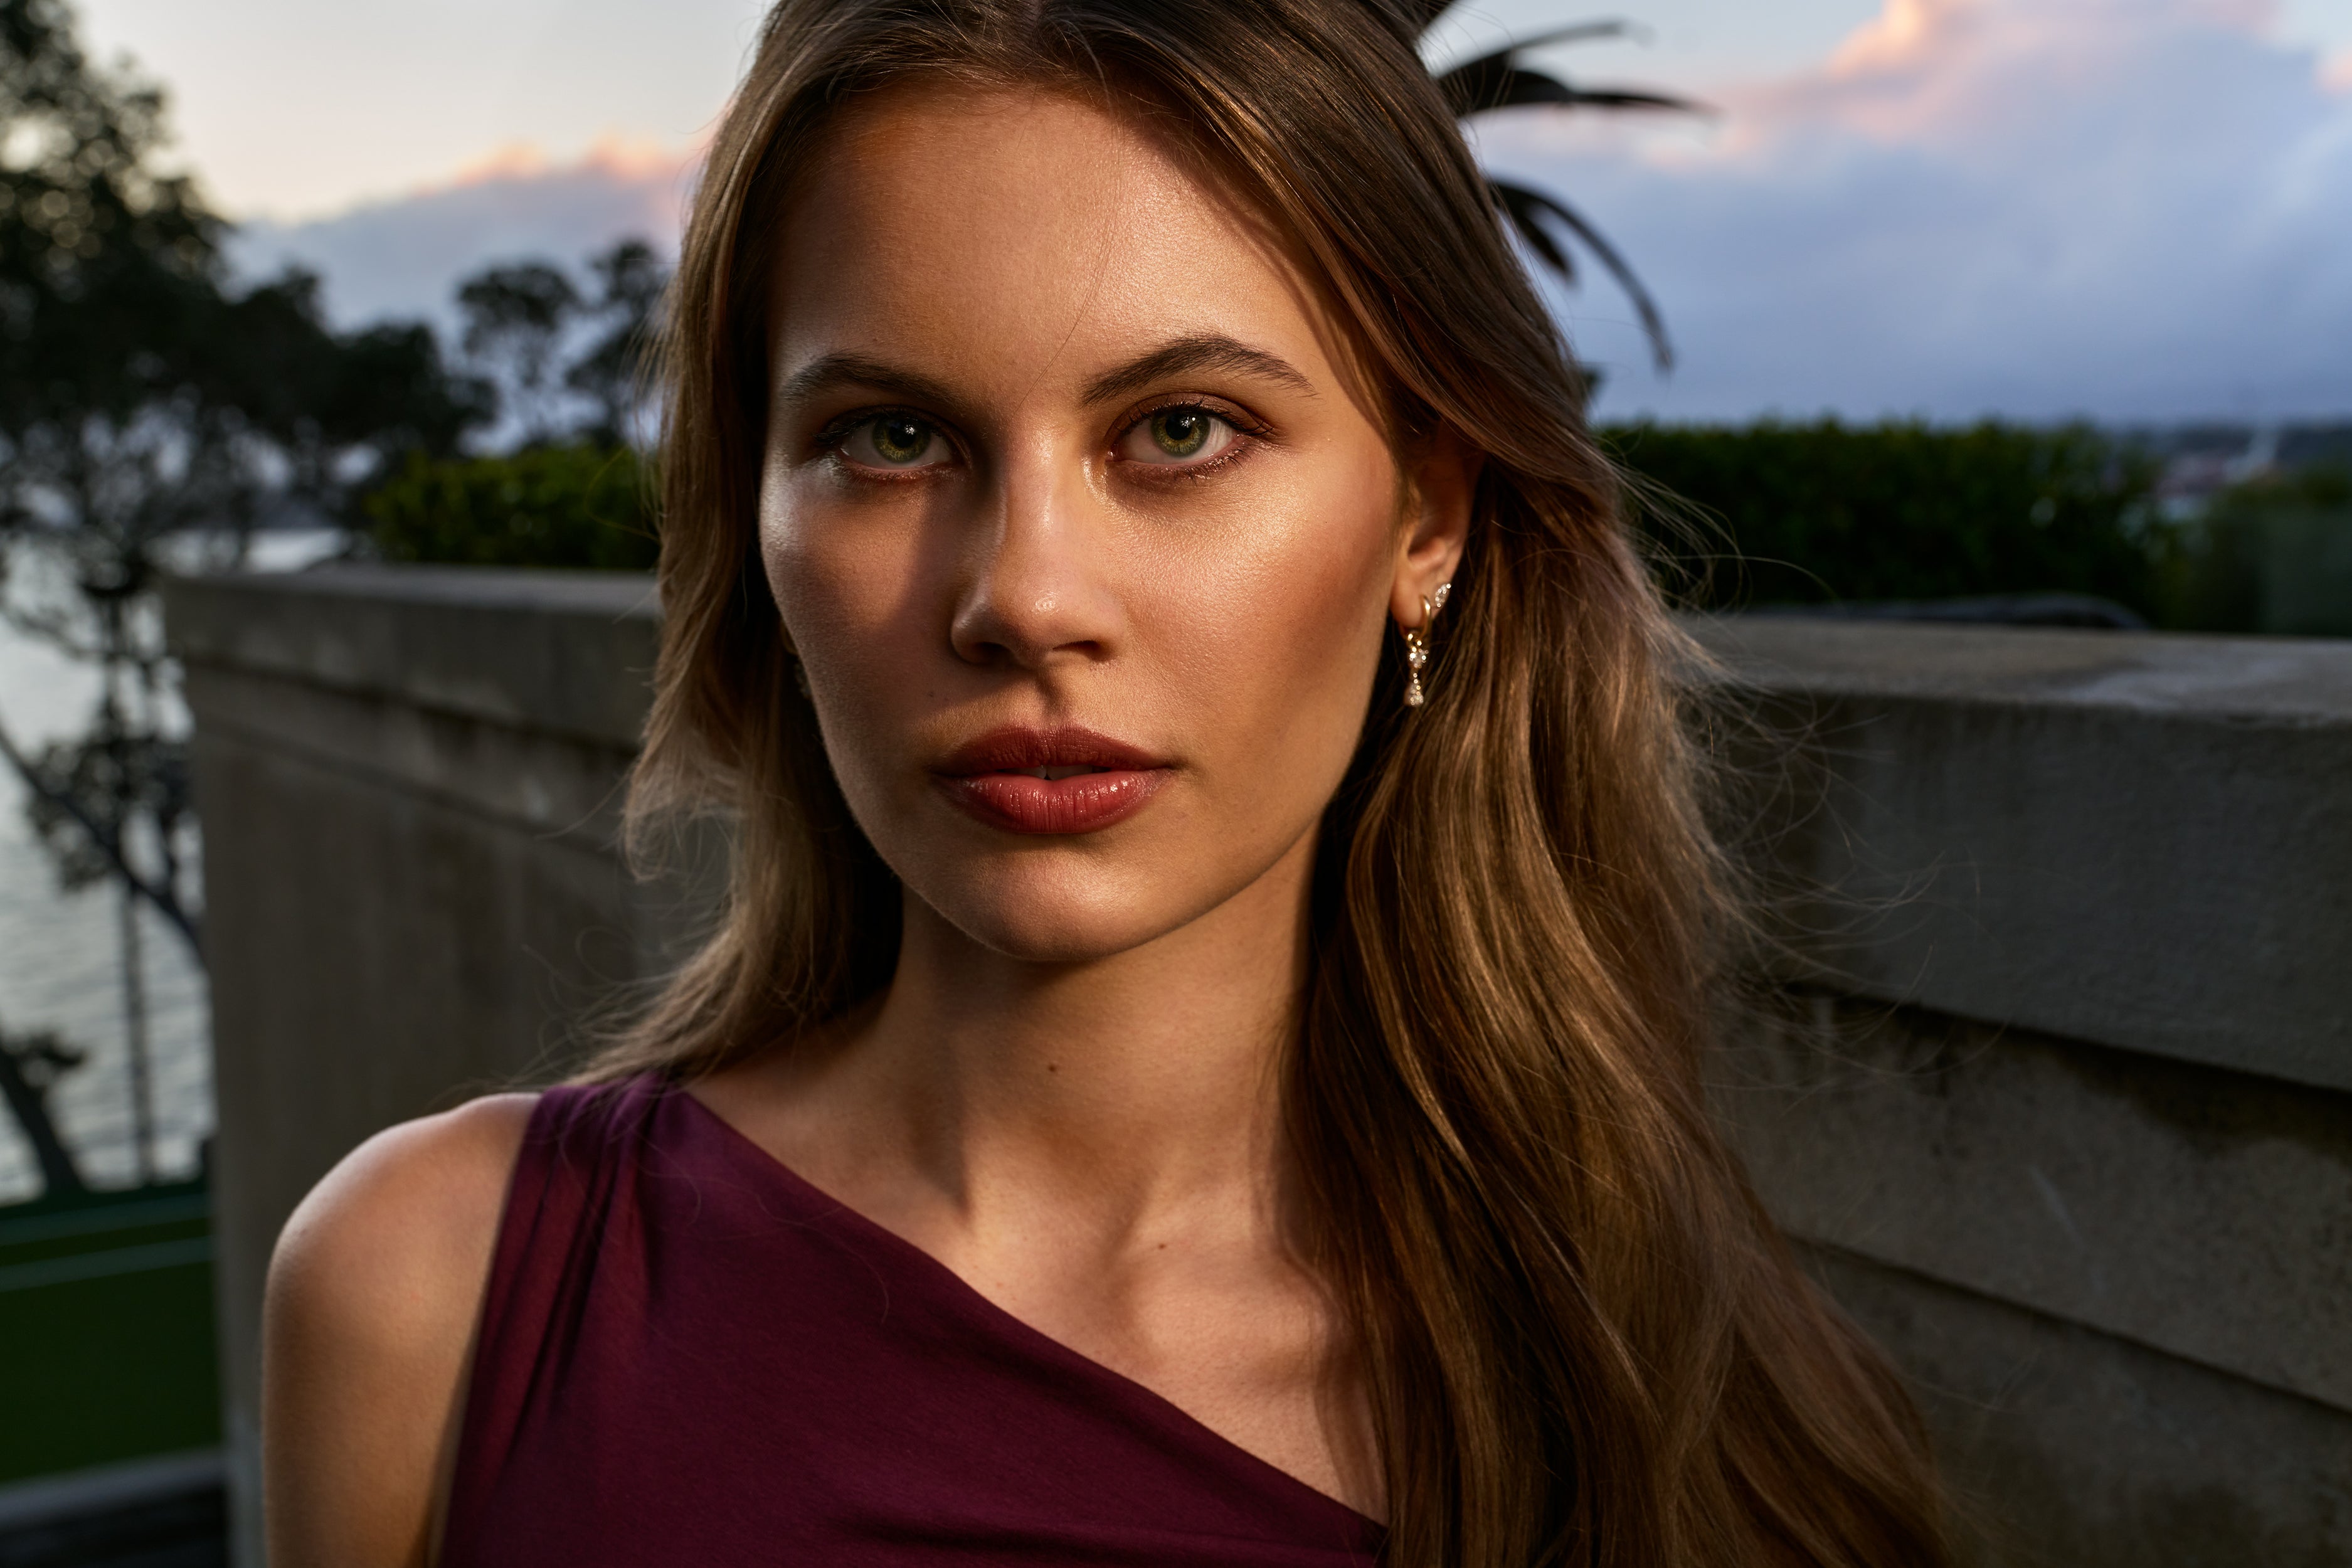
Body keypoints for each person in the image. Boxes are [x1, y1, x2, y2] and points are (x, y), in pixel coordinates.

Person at [262, 1, 1950, 1563]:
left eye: (1183, 430)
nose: (1027, 597)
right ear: (758, 518)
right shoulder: (434, 1297)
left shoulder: (1702, 1441)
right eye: (894, 439)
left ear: (1425, 519)